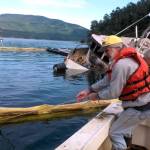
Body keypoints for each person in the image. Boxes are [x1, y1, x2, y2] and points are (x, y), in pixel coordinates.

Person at [76, 35, 150, 150]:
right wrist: (89, 90)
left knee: (115, 133)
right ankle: (128, 144)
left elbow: (113, 93)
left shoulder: (121, 65)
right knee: (124, 129)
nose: (105, 53)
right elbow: (108, 79)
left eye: (107, 50)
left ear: (115, 47)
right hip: (143, 105)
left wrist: (95, 96)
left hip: (140, 108)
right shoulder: (127, 59)